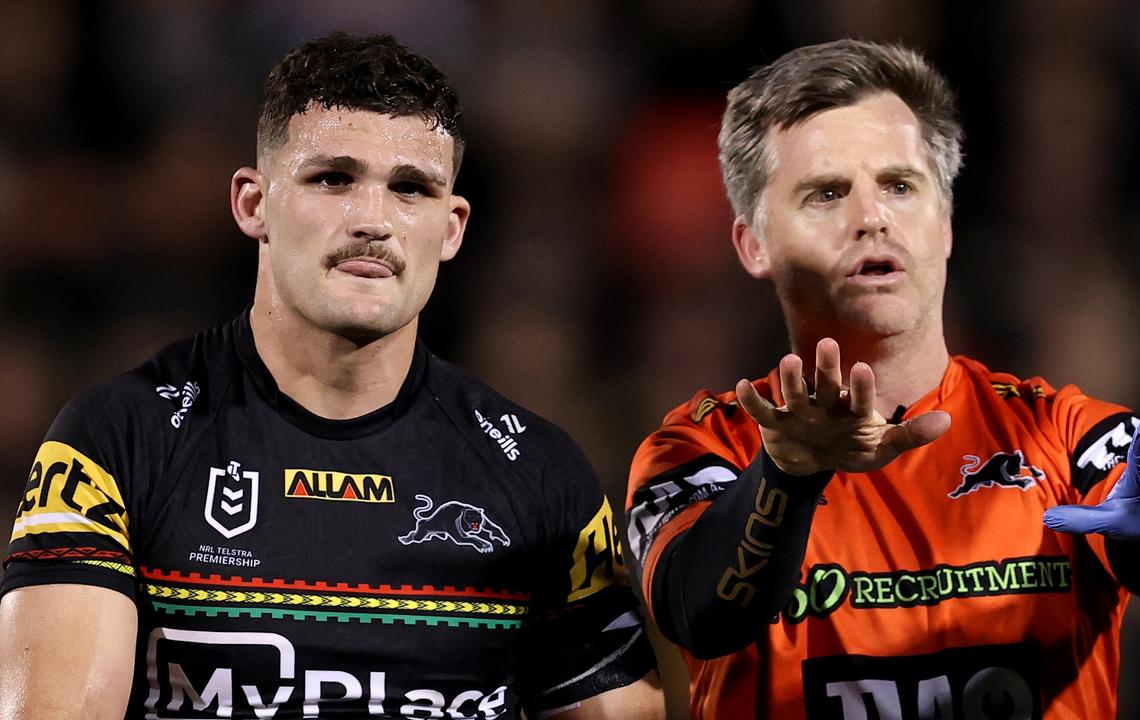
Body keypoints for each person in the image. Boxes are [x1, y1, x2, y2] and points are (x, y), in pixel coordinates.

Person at [0, 32, 662, 720]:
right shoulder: (116, 442)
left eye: (410, 188)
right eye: (333, 179)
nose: (373, 220)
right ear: (253, 204)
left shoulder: (542, 477)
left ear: (453, 227)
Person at [625, 39, 1140, 719]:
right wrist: (788, 477)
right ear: (755, 243)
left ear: (946, 222)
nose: (872, 217)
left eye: (900, 186)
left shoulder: (1067, 437)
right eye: (827, 193)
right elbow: (703, 615)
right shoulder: (700, 451)